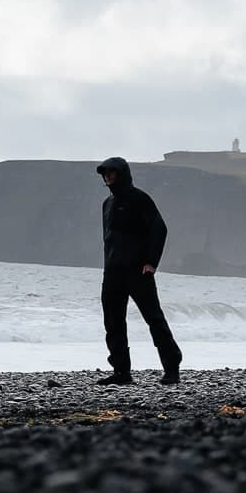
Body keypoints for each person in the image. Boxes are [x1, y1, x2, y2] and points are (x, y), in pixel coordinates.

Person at [94, 157, 183, 386]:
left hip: (138, 272)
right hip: (112, 272)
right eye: (105, 173)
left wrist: (152, 262)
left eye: (112, 172)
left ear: (122, 173)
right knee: (113, 322)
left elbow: (159, 229)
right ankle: (121, 372)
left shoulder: (139, 199)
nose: (108, 176)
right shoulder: (107, 204)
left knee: (154, 319)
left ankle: (172, 367)